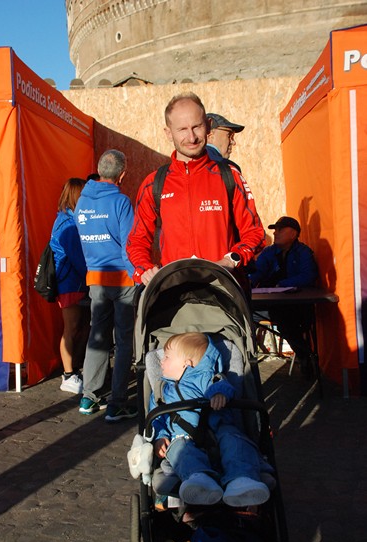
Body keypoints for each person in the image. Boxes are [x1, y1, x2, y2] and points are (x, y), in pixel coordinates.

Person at [126, 92, 265, 287]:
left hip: (224, 293)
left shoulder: (229, 176)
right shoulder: (154, 183)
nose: (191, 137)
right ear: (169, 133)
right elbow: (137, 240)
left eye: (196, 127)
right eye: (182, 129)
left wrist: (232, 260)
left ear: (207, 125)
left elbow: (255, 233)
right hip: (174, 294)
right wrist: (144, 268)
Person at [150, 332, 270, 506]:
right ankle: (199, 479)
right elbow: (156, 417)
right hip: (183, 436)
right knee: (180, 451)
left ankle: (242, 480)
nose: (161, 361)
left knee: (235, 441)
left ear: (186, 363)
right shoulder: (162, 390)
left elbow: (221, 384)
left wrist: (220, 394)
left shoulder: (206, 378)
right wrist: (160, 437)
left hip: (219, 430)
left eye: (167, 357)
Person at [74, 149, 138, 422]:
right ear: (122, 175)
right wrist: (140, 275)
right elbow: (129, 246)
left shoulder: (81, 203)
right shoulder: (121, 203)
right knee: (124, 342)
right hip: (123, 280)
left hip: (95, 279)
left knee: (97, 337)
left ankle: (89, 396)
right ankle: (118, 402)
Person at [249, 216, 319, 373]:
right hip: (271, 305)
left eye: (280, 229)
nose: (275, 233)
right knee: (243, 313)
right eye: (274, 230)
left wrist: (282, 285)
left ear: (293, 234)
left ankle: (304, 353)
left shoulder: (303, 253)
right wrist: (247, 284)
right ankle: (304, 353)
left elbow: (308, 276)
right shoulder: (269, 252)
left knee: (283, 316)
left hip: (298, 307)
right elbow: (256, 273)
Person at [49, 178, 90, 393]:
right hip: (70, 284)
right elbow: (78, 259)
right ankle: (68, 375)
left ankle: (73, 370)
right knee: (71, 329)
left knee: (77, 328)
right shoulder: (68, 224)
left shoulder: (68, 220)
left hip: (73, 283)